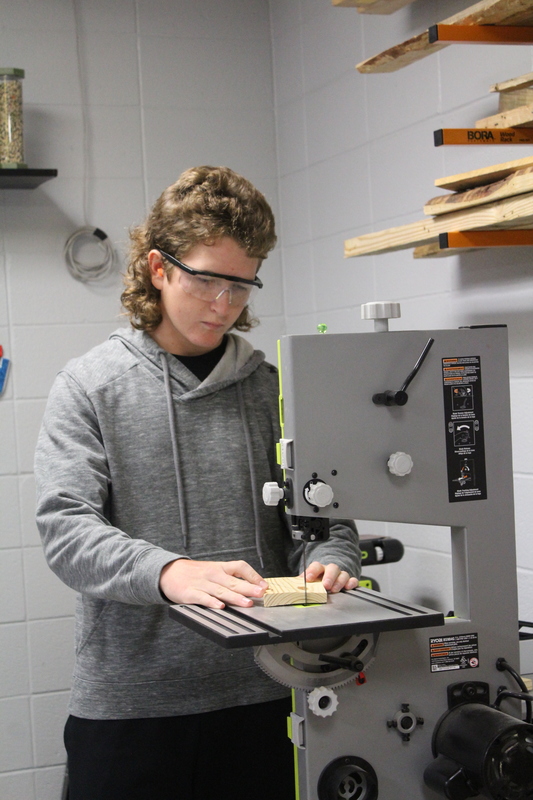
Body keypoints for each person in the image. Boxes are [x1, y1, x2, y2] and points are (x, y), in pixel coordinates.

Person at [35, 165, 361, 800]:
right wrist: (170, 572)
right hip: (131, 714)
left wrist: (330, 558)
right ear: (158, 268)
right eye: (208, 280)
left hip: (270, 697)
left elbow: (326, 520)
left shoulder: (273, 389)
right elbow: (66, 532)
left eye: (243, 285)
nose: (226, 304)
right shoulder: (88, 386)